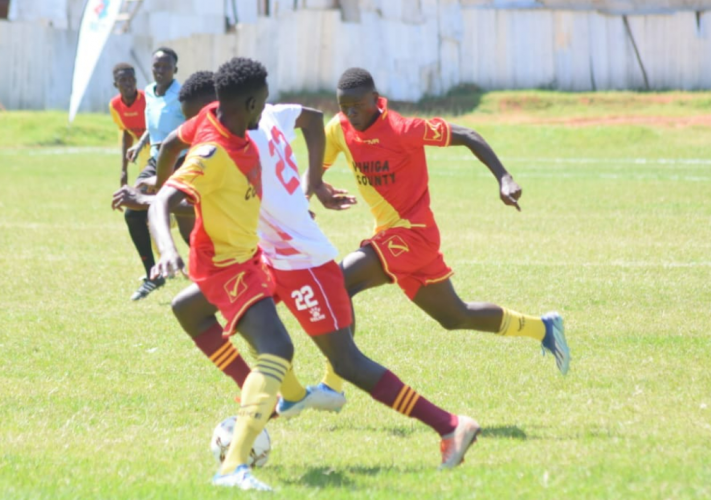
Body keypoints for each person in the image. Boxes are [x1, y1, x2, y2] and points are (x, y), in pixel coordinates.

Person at [130, 68, 482, 489]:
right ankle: (268, 400)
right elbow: (310, 120)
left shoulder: (233, 144)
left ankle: (449, 425)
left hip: (300, 261)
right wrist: (314, 183)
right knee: (190, 309)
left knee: (345, 362)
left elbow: (212, 187)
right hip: (265, 256)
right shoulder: (254, 116)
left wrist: (157, 197)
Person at [313, 67, 571, 375]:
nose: (351, 114)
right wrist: (317, 189)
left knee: (337, 282)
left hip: (414, 234)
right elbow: (315, 170)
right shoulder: (339, 128)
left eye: (358, 106)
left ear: (375, 98)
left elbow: (468, 135)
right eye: (345, 108)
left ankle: (336, 381)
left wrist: (504, 178)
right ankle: (544, 328)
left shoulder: (403, 130)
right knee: (454, 317)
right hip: (392, 236)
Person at [148, 58, 291, 491]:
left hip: (246, 254)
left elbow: (170, 143)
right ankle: (232, 467)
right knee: (278, 349)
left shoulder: (211, 117)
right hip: (226, 264)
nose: (264, 111)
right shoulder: (213, 153)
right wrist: (168, 246)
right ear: (247, 103)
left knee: (189, 311)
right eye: (262, 105)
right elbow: (163, 204)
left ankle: (257, 388)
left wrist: (154, 185)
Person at [124, 47, 186, 301]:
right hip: (155, 158)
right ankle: (153, 274)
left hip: (181, 159)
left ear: (175, 69)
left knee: (189, 223)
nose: (160, 71)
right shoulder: (149, 92)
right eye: (156, 66)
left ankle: (219, 273)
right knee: (131, 210)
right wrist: (139, 145)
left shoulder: (183, 95)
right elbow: (153, 127)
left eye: (165, 66)